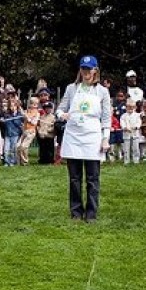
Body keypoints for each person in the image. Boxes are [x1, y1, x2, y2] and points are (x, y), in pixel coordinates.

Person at [56, 55, 111, 221]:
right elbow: (60, 108)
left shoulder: (102, 91)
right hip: (73, 135)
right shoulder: (71, 88)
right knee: (74, 178)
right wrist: (61, 114)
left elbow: (106, 117)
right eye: (83, 69)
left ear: (95, 70)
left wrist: (105, 138)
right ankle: (76, 211)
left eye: (89, 69)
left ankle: (91, 212)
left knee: (93, 178)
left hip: (92, 135)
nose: (86, 72)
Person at [16, 97, 40, 166]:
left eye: (35, 104)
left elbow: (34, 123)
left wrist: (28, 119)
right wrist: (19, 106)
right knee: (18, 146)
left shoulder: (37, 113)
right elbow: (22, 113)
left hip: (31, 131)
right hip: (25, 131)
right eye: (31, 103)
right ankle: (19, 162)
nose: (33, 105)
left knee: (24, 147)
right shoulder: (27, 111)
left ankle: (25, 162)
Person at [120, 98, 142, 165]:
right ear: (126, 107)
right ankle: (126, 161)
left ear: (135, 107)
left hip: (135, 134)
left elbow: (139, 122)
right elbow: (122, 123)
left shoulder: (137, 115)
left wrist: (136, 127)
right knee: (126, 149)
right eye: (129, 107)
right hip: (126, 134)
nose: (130, 108)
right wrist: (125, 127)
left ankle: (136, 160)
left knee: (135, 148)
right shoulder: (123, 116)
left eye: (132, 107)